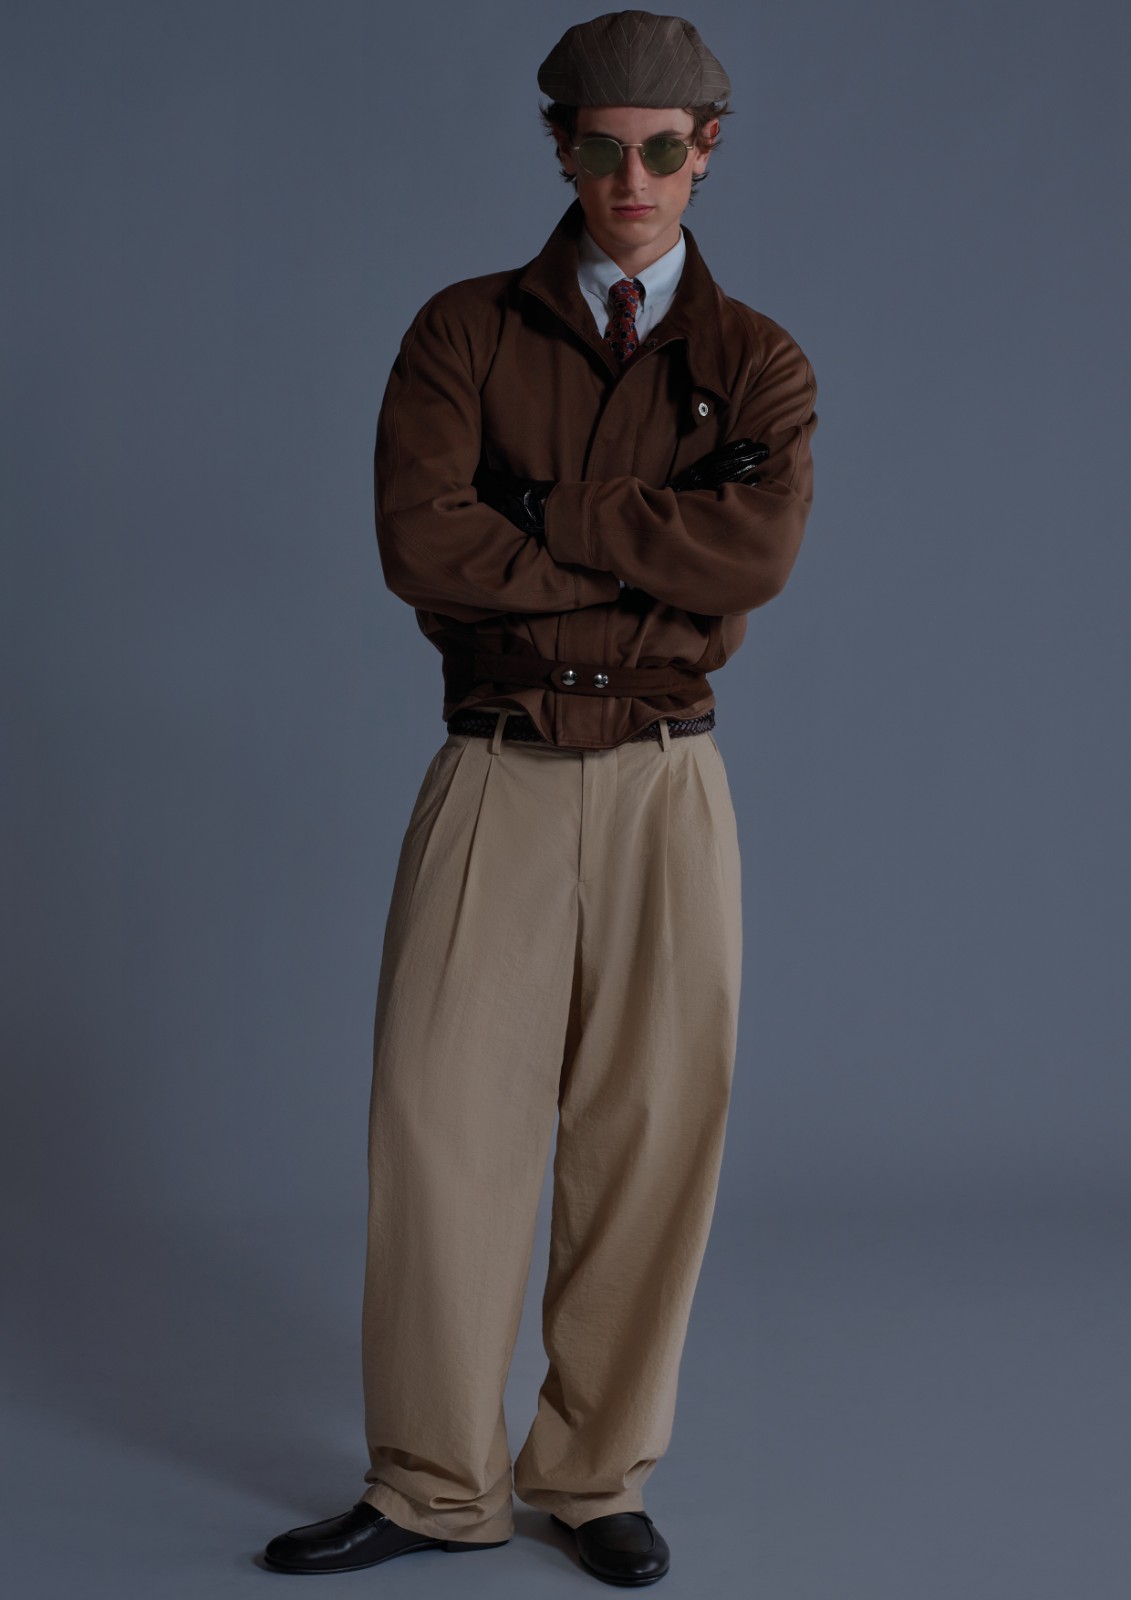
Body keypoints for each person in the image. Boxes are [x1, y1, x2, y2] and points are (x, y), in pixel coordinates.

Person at [262, 8, 817, 1587]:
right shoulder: (462, 333)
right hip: (493, 767)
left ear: (706, 153)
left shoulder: (758, 362)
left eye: (664, 149)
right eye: (602, 146)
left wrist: (539, 512)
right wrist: (649, 549)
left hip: (666, 786)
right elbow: (424, 548)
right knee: (440, 1134)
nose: (633, 177)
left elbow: (753, 560)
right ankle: (433, 1482)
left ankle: (593, 1476)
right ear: (560, 145)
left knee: (653, 1135)